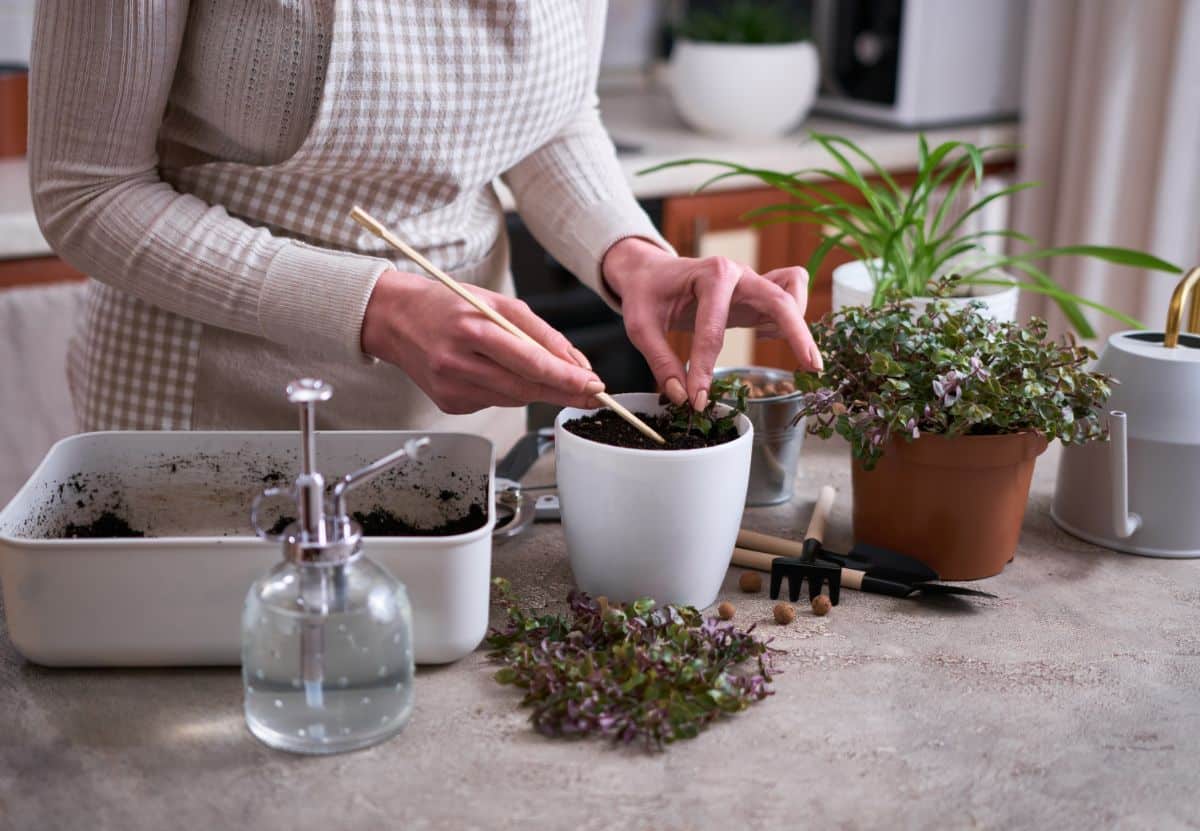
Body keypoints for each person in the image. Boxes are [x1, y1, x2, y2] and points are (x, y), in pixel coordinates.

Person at [29, 1, 820, 449]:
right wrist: (374, 306)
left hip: (464, 430)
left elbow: (552, 114)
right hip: (204, 420)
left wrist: (631, 253)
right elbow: (90, 192)